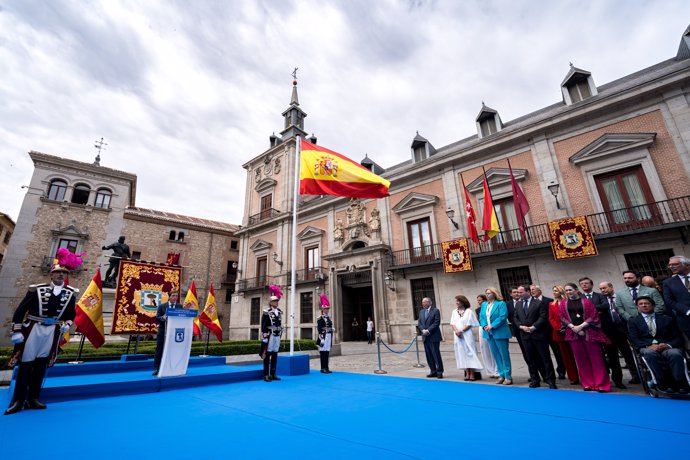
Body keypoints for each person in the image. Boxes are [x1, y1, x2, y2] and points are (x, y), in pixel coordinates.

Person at [5, 262, 79, 415]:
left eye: (64, 273)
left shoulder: (70, 293)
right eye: (58, 272)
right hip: (33, 328)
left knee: (41, 365)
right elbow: (20, 310)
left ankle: (33, 397)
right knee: (26, 363)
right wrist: (16, 330)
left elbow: (71, 313)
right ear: (51, 274)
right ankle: (18, 400)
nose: (61, 275)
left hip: (52, 331)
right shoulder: (36, 290)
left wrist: (68, 324)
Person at [627, 295, 690, 393]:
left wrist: (667, 345)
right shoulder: (633, 321)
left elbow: (678, 337)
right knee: (649, 354)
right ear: (637, 307)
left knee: (675, 354)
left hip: (667, 346)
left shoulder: (667, 319)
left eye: (646, 303)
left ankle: (680, 382)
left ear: (653, 305)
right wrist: (649, 346)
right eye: (641, 304)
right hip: (647, 347)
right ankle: (662, 381)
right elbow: (634, 339)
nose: (644, 306)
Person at [560, 283, 611, 392]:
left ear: (576, 290)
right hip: (573, 334)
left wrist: (581, 326)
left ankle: (601, 384)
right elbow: (562, 317)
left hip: (590, 333)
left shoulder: (587, 302)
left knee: (596, 359)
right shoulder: (563, 303)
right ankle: (588, 383)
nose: (569, 292)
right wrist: (573, 327)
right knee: (581, 360)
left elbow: (594, 316)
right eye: (567, 290)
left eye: (570, 290)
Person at [514, 285, 557, 389]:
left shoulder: (538, 302)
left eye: (521, 292)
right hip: (525, 335)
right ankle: (535, 380)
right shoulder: (518, 304)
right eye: (518, 293)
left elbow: (543, 317)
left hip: (538, 335)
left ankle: (550, 380)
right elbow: (515, 317)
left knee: (545, 358)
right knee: (531, 359)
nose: (518, 295)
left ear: (528, 292)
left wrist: (534, 327)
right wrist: (520, 326)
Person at [598, 281, 639, 387]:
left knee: (628, 353)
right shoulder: (601, 300)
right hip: (609, 330)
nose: (603, 291)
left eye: (604, 288)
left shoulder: (620, 297)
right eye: (601, 289)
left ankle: (636, 375)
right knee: (612, 356)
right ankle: (618, 380)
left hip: (624, 327)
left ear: (611, 287)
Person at [531, 284, 565, 380]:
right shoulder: (531, 302)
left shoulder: (549, 301)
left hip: (550, 331)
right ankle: (547, 374)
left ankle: (561, 370)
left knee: (557, 352)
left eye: (534, 289)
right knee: (543, 354)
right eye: (531, 290)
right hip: (538, 332)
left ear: (539, 290)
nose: (532, 291)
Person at [479, 288, 512, 385]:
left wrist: (492, 325)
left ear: (494, 294)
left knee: (504, 355)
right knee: (496, 355)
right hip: (488, 333)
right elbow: (481, 316)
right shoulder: (484, 304)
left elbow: (503, 316)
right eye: (486, 293)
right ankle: (501, 374)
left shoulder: (501, 304)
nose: (487, 295)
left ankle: (508, 376)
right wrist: (484, 325)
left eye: (489, 293)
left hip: (499, 332)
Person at [548, 286, 579, 385]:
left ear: (561, 291)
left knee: (578, 355)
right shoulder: (552, 304)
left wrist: (569, 327)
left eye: (556, 291)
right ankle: (573, 377)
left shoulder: (568, 302)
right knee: (566, 357)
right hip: (559, 333)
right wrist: (558, 328)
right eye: (553, 291)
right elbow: (551, 318)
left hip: (572, 331)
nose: (554, 292)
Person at [449, 295, 483, 380]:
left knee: (470, 353)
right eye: (456, 301)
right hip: (457, 336)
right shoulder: (454, 312)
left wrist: (461, 331)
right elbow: (452, 323)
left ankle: (472, 373)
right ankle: (467, 372)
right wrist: (456, 331)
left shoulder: (469, 312)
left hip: (467, 335)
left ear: (463, 302)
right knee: (462, 354)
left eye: (458, 301)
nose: (456, 302)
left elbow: (469, 323)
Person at [662, 255, 690, 344]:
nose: (671, 267)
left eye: (675, 264)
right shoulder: (668, 282)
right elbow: (668, 300)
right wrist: (687, 311)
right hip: (686, 319)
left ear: (687, 265)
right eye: (669, 265)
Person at [153, 291, 180, 377]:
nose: (174, 297)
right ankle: (157, 368)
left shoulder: (179, 306)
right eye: (173, 296)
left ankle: (173, 367)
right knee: (160, 349)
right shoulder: (162, 306)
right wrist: (162, 318)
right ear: (169, 297)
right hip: (163, 331)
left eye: (176, 296)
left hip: (174, 332)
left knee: (173, 349)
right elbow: (157, 318)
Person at [261, 285, 284, 382]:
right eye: (274, 301)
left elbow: (279, 323)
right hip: (269, 336)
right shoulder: (267, 312)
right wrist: (265, 336)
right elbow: (263, 326)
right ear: (271, 302)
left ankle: (273, 373)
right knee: (267, 354)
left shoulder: (279, 312)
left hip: (277, 336)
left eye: (277, 301)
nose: (276, 303)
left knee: (275, 354)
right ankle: (266, 374)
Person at [418, 297, 444, 379]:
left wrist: (428, 330)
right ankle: (433, 371)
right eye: (422, 302)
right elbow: (419, 323)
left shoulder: (435, 311)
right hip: (425, 337)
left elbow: (436, 323)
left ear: (430, 302)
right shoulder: (421, 312)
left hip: (433, 336)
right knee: (428, 355)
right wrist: (422, 330)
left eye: (425, 302)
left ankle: (439, 371)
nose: (423, 304)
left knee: (436, 354)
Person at [475, 294, 499, 378]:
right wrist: (483, 325)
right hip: (483, 328)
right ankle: (490, 370)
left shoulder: (491, 307)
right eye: (477, 300)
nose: (478, 302)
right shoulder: (477, 310)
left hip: (492, 327)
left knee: (493, 349)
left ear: (485, 300)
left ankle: (497, 369)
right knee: (485, 349)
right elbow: (478, 319)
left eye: (480, 300)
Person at [316, 294, 335, 373]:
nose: (327, 310)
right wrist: (325, 331)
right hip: (323, 337)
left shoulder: (329, 318)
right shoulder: (320, 318)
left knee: (327, 352)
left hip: (329, 336)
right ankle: (322, 368)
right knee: (322, 352)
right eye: (325, 309)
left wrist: (331, 329)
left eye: (328, 309)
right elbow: (319, 329)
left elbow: (329, 326)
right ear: (323, 309)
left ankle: (326, 367)